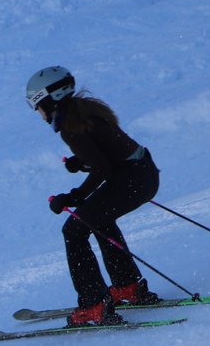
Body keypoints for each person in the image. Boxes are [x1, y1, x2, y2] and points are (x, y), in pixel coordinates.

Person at [26, 66, 163, 326]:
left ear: (49, 99)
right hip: (142, 174)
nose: (37, 111)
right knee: (98, 220)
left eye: (36, 104)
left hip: (130, 180)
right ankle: (126, 287)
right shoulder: (85, 110)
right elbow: (107, 150)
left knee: (74, 230)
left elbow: (102, 169)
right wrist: (81, 160)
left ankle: (94, 305)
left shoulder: (71, 127)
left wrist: (73, 196)